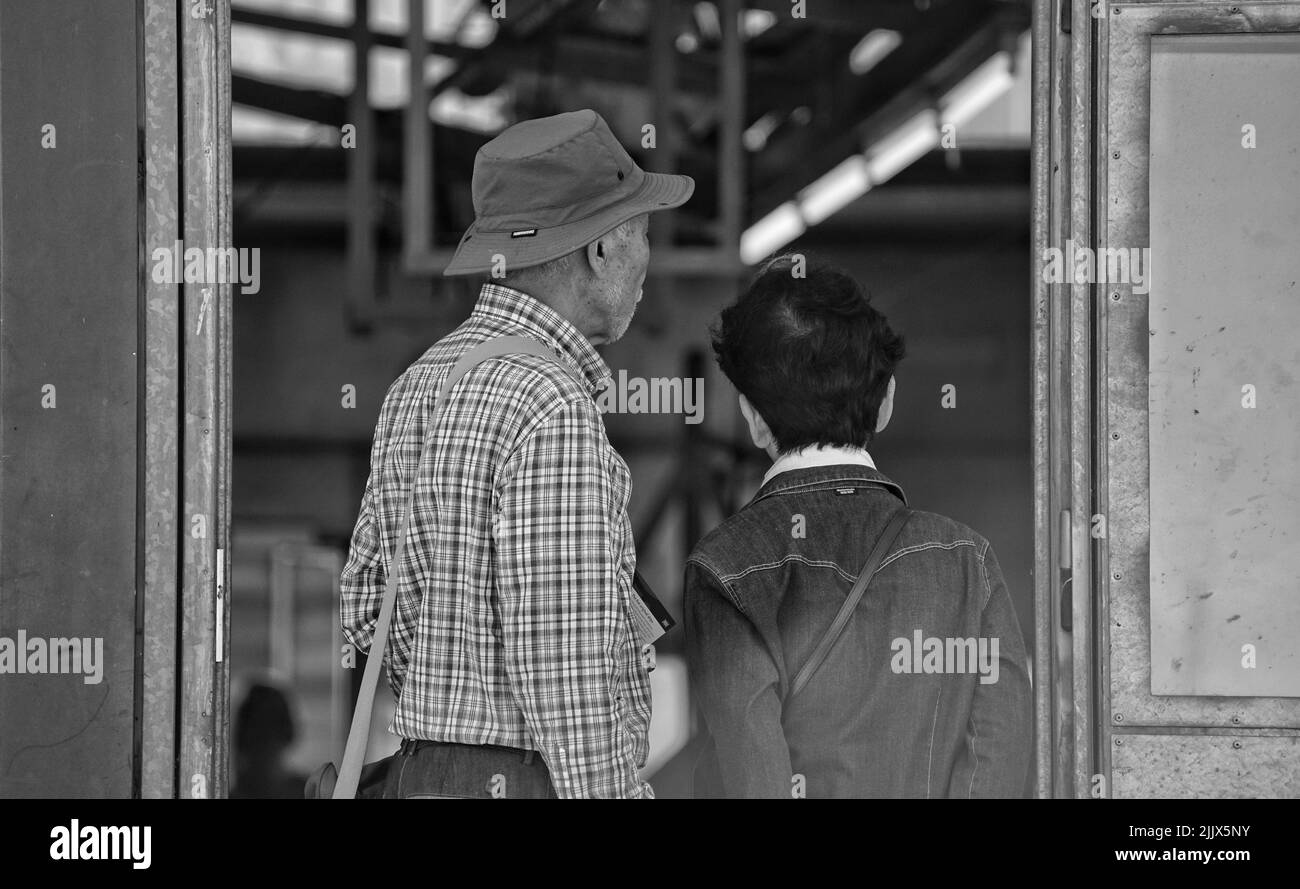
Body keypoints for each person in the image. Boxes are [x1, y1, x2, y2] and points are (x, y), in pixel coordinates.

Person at [340, 109, 693, 799]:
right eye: (641, 233)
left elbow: (361, 603)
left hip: (422, 773)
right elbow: (568, 680)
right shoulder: (553, 407)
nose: (648, 260)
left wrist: (449, 688)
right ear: (599, 250)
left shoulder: (417, 385)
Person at [685, 254, 1032, 798]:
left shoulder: (724, 567)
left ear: (751, 416)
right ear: (886, 401)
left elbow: (753, 778)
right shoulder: (967, 559)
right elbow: (1001, 752)